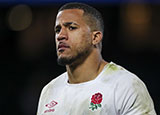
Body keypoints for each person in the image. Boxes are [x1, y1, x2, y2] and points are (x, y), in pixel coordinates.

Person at [37, 2, 156, 115]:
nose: (61, 36)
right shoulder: (50, 91)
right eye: (58, 30)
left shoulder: (125, 86)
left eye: (72, 27)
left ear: (95, 37)